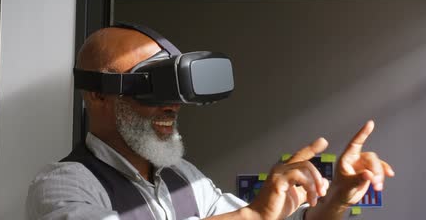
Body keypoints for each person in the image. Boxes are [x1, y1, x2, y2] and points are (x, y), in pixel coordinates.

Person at [26, 26, 394, 220]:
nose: (173, 105)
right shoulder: (63, 184)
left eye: (177, 93)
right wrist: (253, 213)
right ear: (98, 95)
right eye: (153, 89)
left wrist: (336, 199)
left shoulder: (184, 176)